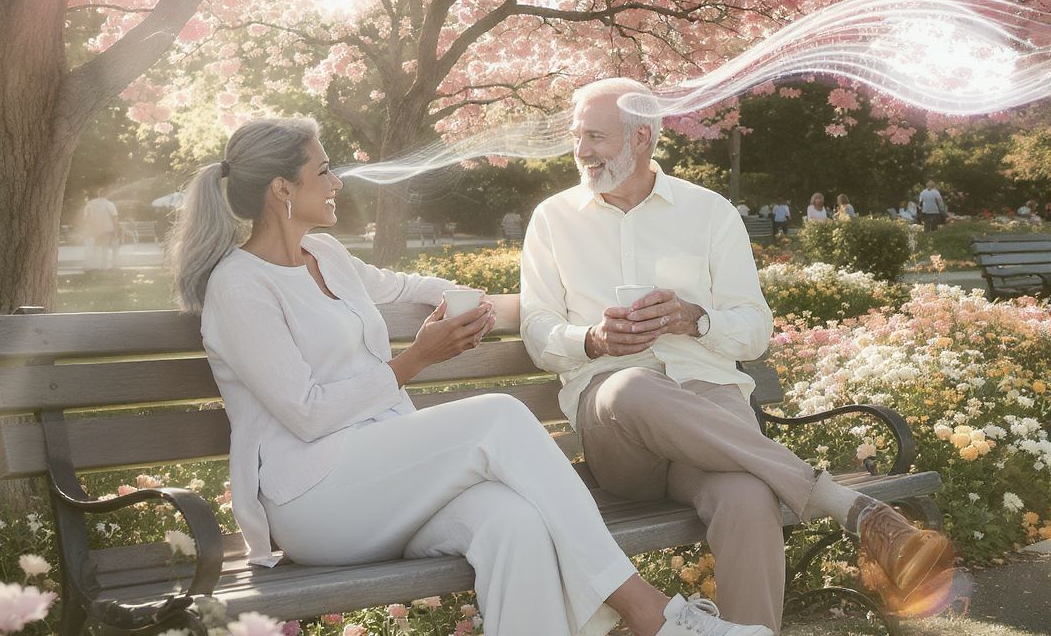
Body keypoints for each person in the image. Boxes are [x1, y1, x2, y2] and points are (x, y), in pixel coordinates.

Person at [168, 117, 771, 636]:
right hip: (315, 502)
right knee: (500, 416)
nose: (336, 182)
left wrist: (499, 304)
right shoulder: (240, 287)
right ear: (282, 189)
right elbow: (306, 412)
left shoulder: (325, 256)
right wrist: (415, 361)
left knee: (516, 523)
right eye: (324, 171)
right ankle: (648, 612)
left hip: (386, 484)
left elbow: (403, 288)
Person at [520, 79, 954, 635]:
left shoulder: (708, 213)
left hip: (709, 407)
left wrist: (696, 320)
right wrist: (593, 342)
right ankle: (849, 506)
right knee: (630, 386)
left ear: (643, 138)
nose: (581, 150)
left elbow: (753, 331)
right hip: (617, 424)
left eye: (596, 137)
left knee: (749, 497)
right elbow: (537, 329)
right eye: (578, 136)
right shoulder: (553, 219)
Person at [82, 188, 119, 270]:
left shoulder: (90, 203)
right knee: (106, 248)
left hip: (93, 230)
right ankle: (104, 266)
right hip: (106, 230)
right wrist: (115, 230)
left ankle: (87, 266)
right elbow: (114, 217)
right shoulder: (109, 204)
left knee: (90, 248)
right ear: (107, 194)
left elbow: (85, 218)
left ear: (98, 194)